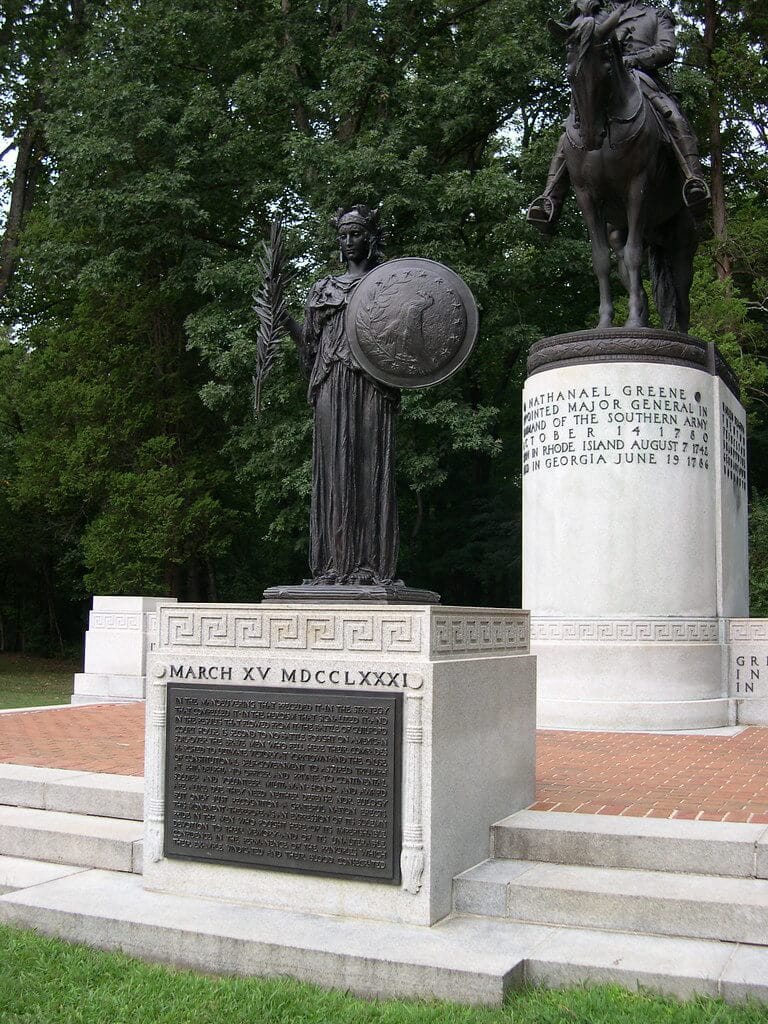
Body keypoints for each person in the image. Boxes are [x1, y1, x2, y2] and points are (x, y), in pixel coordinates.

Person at [285, 205, 400, 585]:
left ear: (371, 237)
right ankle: (332, 567)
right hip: (331, 380)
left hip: (372, 384)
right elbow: (309, 346)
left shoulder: (387, 284)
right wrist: (284, 320)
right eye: (344, 235)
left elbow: (406, 342)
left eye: (356, 234)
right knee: (334, 468)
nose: (349, 241)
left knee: (369, 467)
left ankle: (371, 566)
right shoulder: (323, 289)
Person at [527, 0, 710, 234]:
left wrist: (634, 59)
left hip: (643, 79)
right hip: (605, 81)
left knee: (673, 116)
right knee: (569, 132)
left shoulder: (655, 14)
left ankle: (693, 181)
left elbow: (667, 48)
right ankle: (550, 199)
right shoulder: (598, 15)